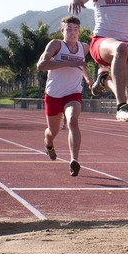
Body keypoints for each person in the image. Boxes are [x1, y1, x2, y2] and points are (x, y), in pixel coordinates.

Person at [37, 16, 93, 177]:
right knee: (52, 131)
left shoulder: (84, 47)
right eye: (69, 29)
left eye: (75, 29)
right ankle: (48, 142)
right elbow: (41, 65)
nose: (72, 33)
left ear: (79, 31)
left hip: (73, 93)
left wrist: (88, 79)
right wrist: (68, 63)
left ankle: (74, 160)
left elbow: (82, 64)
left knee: (72, 121)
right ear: (62, 31)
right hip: (53, 94)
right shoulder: (56, 44)